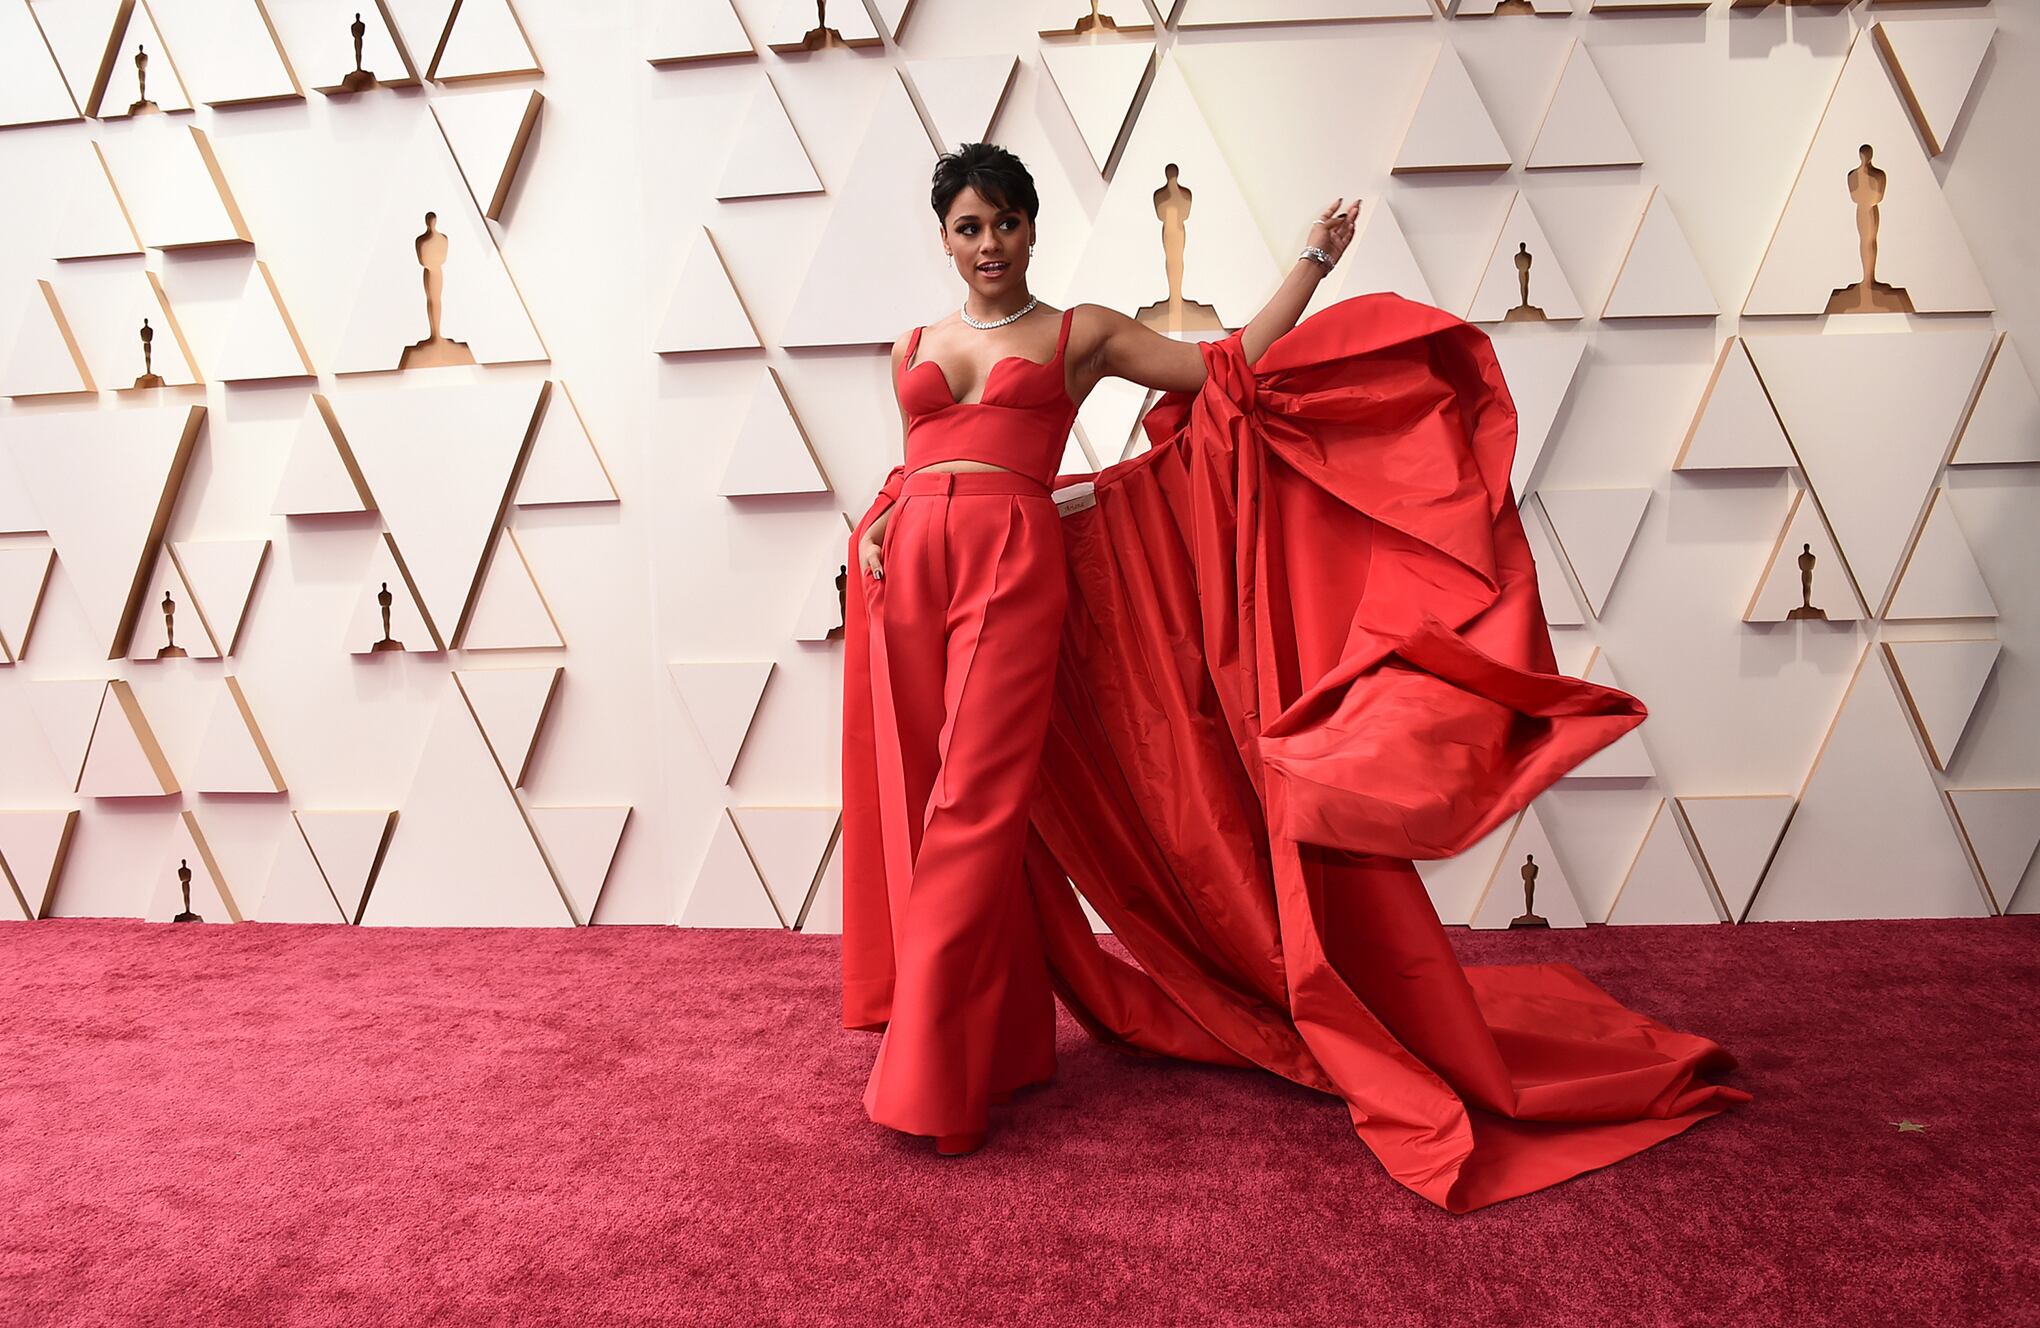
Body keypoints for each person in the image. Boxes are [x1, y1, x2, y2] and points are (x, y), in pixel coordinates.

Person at [841, 143, 1752, 1209]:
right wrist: (888, 510)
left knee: (972, 807)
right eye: (968, 226)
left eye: (1004, 221)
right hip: (902, 578)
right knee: (920, 798)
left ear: (1034, 229)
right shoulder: (913, 340)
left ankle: (932, 1080)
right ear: (944, 238)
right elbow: (924, 454)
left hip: (1011, 564)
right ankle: (985, 1047)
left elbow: (1222, 367)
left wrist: (1310, 265)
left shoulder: (1078, 332)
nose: (988, 243)